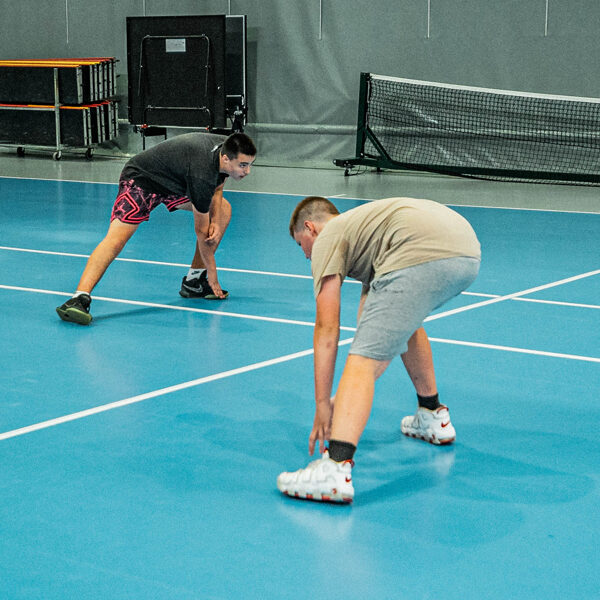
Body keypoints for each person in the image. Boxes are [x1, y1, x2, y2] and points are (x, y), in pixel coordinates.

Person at [277, 196, 481, 503]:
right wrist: (342, 399)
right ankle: (431, 414)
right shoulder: (369, 239)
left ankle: (334, 468)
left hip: (419, 252)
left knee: (360, 359)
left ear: (311, 228)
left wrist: (323, 405)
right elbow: (380, 339)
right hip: (465, 250)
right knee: (401, 326)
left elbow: (327, 329)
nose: (306, 254)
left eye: (299, 244)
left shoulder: (328, 237)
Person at [56, 132, 257, 325]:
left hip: (173, 183)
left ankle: (194, 282)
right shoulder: (202, 173)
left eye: (249, 165)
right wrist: (213, 272)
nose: (247, 171)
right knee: (116, 240)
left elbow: (219, 182)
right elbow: (201, 231)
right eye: (243, 165)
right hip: (142, 181)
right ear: (225, 158)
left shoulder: (228, 146)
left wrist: (215, 218)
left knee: (223, 210)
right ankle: (79, 298)